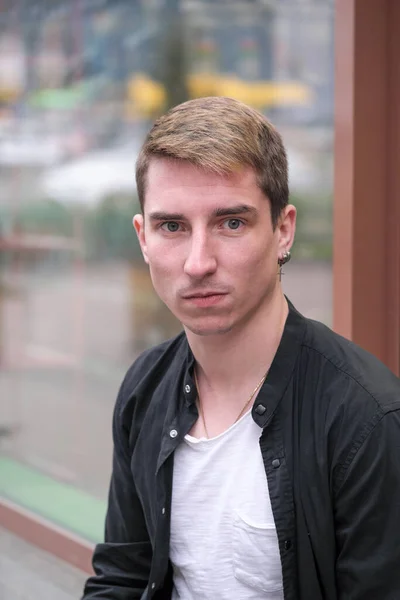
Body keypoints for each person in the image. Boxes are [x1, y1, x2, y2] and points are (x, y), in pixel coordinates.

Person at [82, 96, 400, 600]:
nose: (198, 262)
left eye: (231, 222)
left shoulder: (366, 418)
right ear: (143, 238)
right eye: (173, 227)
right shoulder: (146, 386)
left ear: (283, 230)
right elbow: (123, 577)